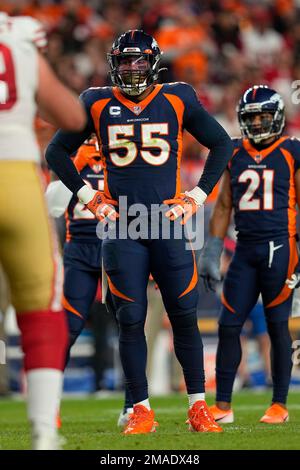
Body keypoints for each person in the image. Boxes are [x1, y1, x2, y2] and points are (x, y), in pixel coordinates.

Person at [45, 29, 233, 434]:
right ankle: (141, 410)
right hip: (123, 225)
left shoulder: (177, 96)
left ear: (153, 62)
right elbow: (55, 152)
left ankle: (198, 407)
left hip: (166, 223)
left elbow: (222, 144)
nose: (133, 67)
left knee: (182, 315)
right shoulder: (95, 101)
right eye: (125, 60)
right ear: (115, 63)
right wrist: (89, 196)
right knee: (130, 318)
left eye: (139, 60)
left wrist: (198, 196)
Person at [0, 12, 86, 449]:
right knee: (42, 309)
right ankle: (44, 434)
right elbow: (72, 116)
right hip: (15, 176)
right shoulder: (18, 41)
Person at [200, 85, 300, 424]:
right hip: (244, 248)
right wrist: (212, 252)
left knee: (277, 327)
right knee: (228, 325)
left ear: (277, 117)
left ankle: (279, 405)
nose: (257, 123)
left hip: (279, 247)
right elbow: (225, 203)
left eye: (262, 116)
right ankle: (223, 406)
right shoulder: (232, 151)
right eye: (251, 117)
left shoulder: (291, 150)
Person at [46, 136, 133, 426]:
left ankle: (134, 405)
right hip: (81, 248)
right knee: (69, 327)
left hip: (117, 246)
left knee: (129, 324)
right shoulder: (70, 156)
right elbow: (54, 205)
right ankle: (49, 404)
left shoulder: (124, 153)